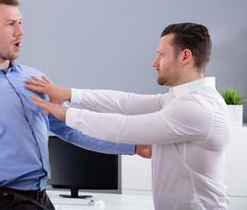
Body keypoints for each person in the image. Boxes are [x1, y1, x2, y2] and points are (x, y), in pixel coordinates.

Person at [0, 0, 148, 210]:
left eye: (21, 23)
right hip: (2, 203)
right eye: (11, 24)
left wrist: (133, 146)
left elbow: (72, 130)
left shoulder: (33, 79)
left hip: (42, 200)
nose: (21, 31)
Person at [26, 22, 231, 210]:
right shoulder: (178, 100)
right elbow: (125, 102)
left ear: (185, 56)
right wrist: (69, 93)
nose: (154, 63)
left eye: (161, 55)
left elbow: (123, 127)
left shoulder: (197, 108)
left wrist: (66, 113)